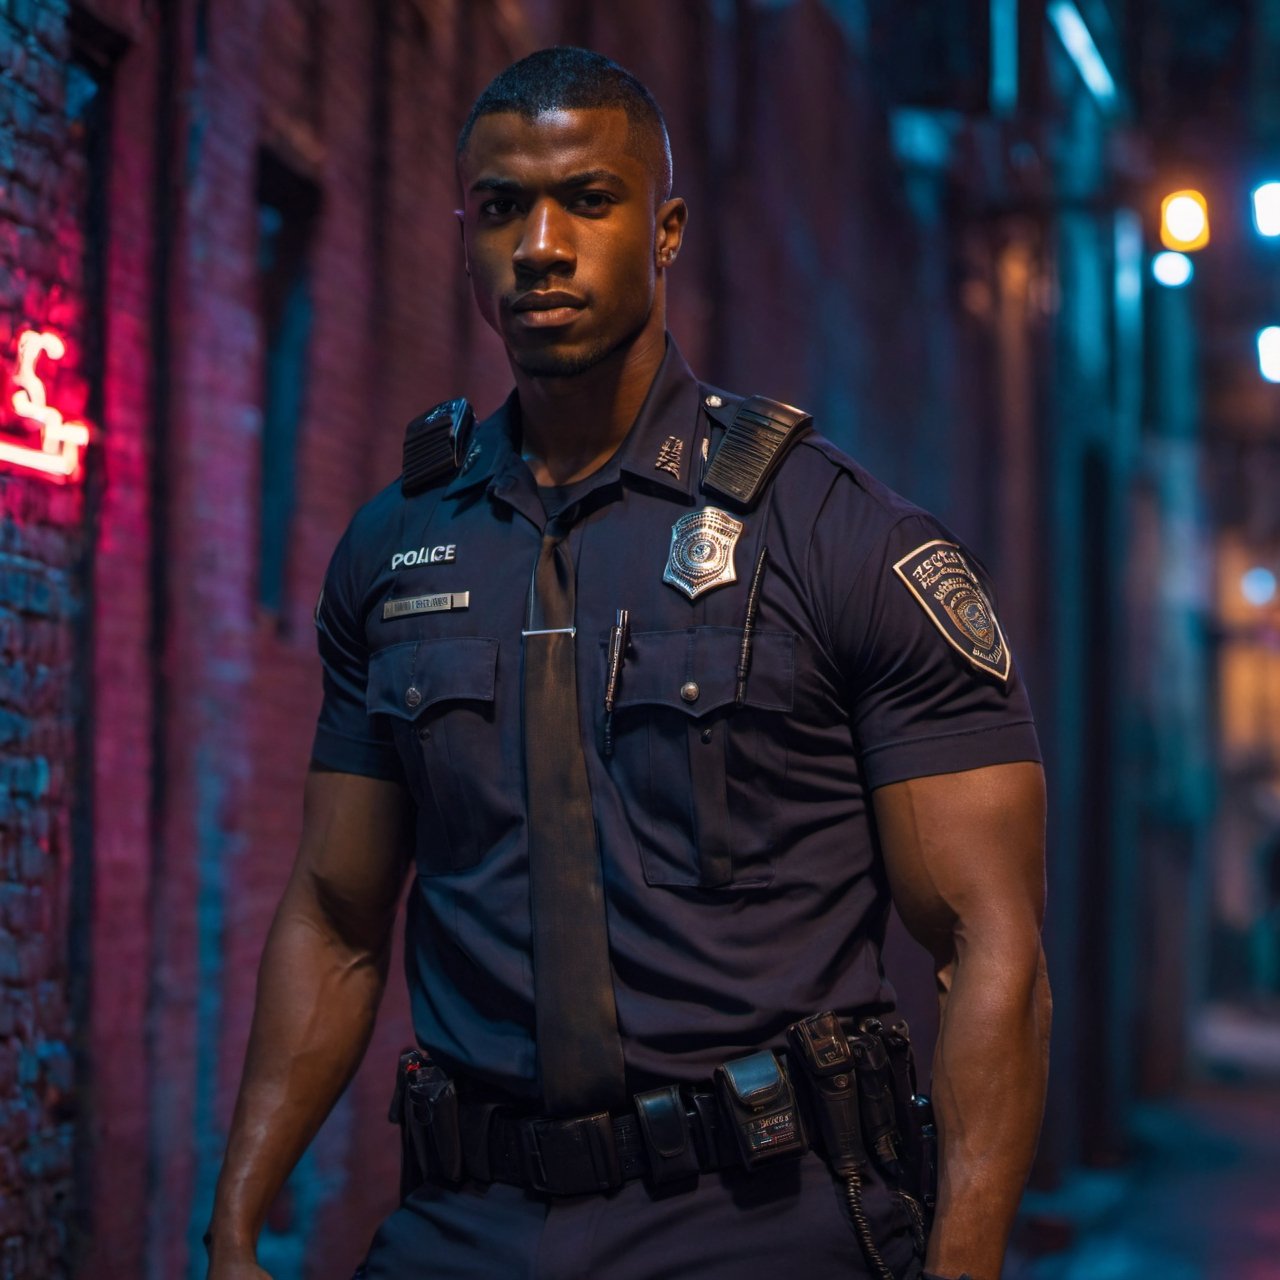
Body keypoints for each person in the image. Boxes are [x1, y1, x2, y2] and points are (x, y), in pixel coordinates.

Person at [207, 47, 1050, 1280]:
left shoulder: (838, 538)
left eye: (586, 201)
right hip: (463, 1227)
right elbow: (336, 917)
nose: (539, 245)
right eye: (501, 207)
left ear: (662, 229)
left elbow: (990, 942)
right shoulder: (397, 548)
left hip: (759, 1226)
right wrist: (234, 1224)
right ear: (466, 236)